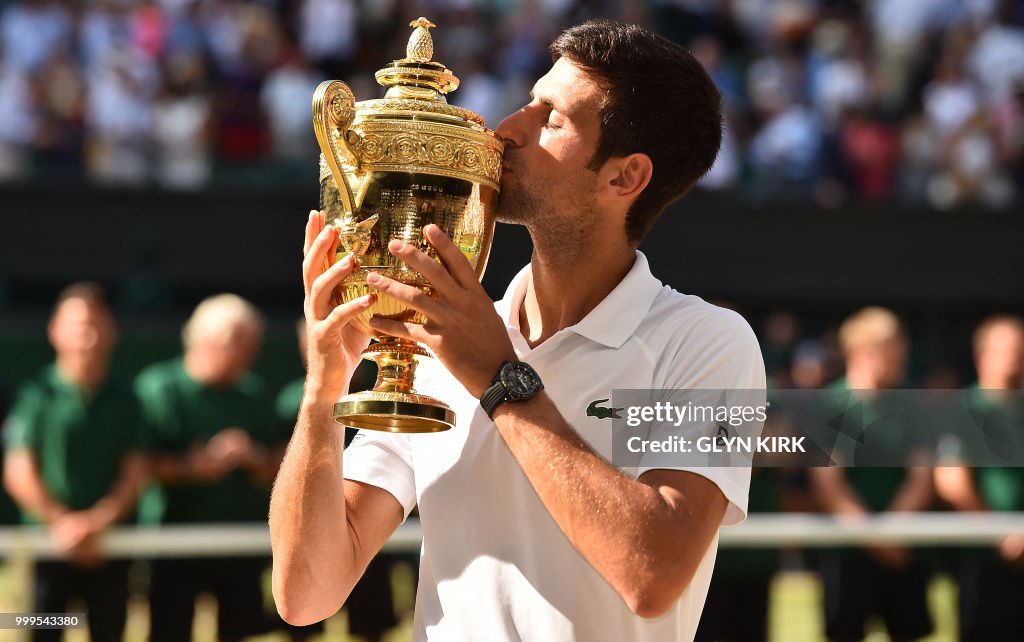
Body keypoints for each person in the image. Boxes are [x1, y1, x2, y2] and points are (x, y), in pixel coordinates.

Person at [270, 20, 765, 642]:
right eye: (528, 101)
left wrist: (500, 379)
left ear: (624, 178)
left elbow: (652, 574)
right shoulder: (438, 336)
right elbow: (306, 593)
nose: (506, 130)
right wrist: (324, 387)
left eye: (551, 118)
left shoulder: (709, 342)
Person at [136, 293, 287, 642]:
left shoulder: (252, 393)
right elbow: (138, 462)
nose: (250, 355)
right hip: (174, 545)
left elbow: (280, 459)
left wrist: (254, 458)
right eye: (242, 344)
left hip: (238, 545)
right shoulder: (160, 388)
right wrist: (192, 467)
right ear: (209, 341)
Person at [2, 282, 148, 642]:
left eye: (96, 324)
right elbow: (18, 471)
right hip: (48, 550)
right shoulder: (36, 394)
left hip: (110, 549)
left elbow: (136, 471)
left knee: (108, 631)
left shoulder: (127, 400)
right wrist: (62, 523)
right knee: (45, 630)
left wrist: (96, 523)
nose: (88, 335)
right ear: (55, 331)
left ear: (112, 331)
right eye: (78, 324)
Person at [810, 306, 934, 642]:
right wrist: (875, 536)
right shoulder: (831, 405)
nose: (899, 357)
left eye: (900, 348)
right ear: (858, 352)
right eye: (889, 349)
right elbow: (828, 484)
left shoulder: (913, 402)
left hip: (904, 546)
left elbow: (922, 476)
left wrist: (893, 530)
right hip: (848, 551)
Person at [274, 321, 397, 641]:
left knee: (372, 624)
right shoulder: (293, 397)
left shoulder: (385, 387)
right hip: (325, 522)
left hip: (373, 524)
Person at [934, 315, 1024, 642]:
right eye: (1010, 350)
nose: (1017, 358)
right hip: (983, 561)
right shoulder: (963, 409)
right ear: (981, 356)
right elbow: (951, 481)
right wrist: (1003, 536)